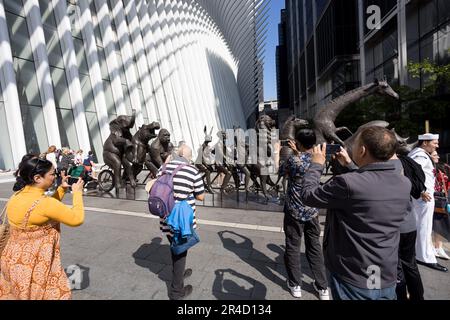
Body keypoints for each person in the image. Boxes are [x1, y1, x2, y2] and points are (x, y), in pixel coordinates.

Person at [300, 126, 412, 300]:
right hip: (383, 274)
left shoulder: (347, 183)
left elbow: (308, 196)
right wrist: (351, 166)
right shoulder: (404, 183)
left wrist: (315, 165)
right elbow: (372, 186)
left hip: (354, 275)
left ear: (362, 150)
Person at [335, 147, 425, 300]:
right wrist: (350, 164)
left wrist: (350, 165)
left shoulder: (386, 167)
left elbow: (370, 183)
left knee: (394, 270)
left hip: (391, 226)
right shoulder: (405, 162)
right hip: (409, 223)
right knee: (410, 265)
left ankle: (400, 296)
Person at [0, 156, 85, 299]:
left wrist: (61, 190)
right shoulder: (45, 204)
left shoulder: (16, 196)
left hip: (12, 261)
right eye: (52, 174)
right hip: (37, 265)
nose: (55, 177)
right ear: (38, 178)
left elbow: (41, 211)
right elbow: (76, 219)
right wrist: (77, 193)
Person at [283, 129, 329, 300]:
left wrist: (276, 152)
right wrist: (298, 152)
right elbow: (306, 166)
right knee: (314, 246)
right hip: (312, 209)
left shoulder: (293, 160)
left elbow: (281, 171)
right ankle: (322, 287)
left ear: (298, 143)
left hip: (294, 209)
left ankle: (295, 285)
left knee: (293, 247)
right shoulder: (320, 159)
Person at [157, 145, 205, 300]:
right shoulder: (192, 170)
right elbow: (201, 196)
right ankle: (177, 291)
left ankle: (180, 272)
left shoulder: (163, 168)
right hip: (182, 220)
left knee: (174, 244)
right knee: (181, 249)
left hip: (165, 217)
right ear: (189, 157)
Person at [408, 134, 448, 272]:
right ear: (425, 142)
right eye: (435, 143)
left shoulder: (421, 153)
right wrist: (420, 191)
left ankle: (420, 254)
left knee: (423, 227)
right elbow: (409, 173)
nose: (437, 145)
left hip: (424, 197)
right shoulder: (420, 155)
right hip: (423, 198)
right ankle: (425, 257)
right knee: (424, 227)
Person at [431, 151, 450, 261]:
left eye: (437, 155)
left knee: (441, 222)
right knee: (438, 222)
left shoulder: (443, 167)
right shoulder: (431, 167)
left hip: (442, 198)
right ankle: (437, 247)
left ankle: (438, 246)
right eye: (434, 155)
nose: (437, 156)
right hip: (436, 198)